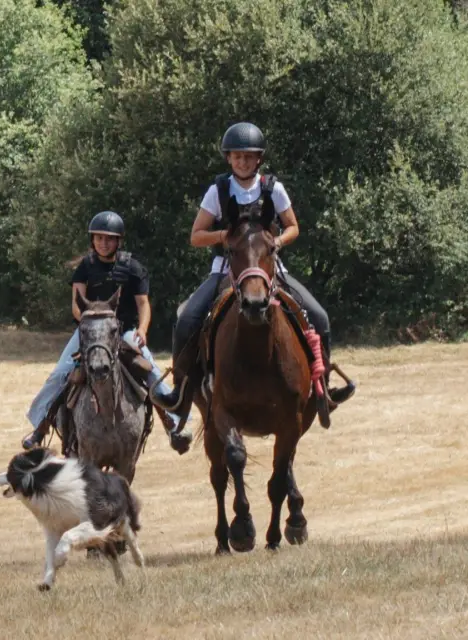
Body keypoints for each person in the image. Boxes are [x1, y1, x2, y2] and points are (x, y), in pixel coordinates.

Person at [153, 122, 354, 430]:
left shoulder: (273, 188)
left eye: (249, 157)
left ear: (259, 159)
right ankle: (181, 393)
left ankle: (322, 389)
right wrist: (225, 236)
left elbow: (293, 226)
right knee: (187, 319)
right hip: (226, 268)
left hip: (268, 267)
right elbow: (196, 236)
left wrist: (278, 242)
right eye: (237, 157)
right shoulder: (217, 190)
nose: (243, 162)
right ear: (228, 159)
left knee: (320, 317)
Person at [19, 211, 182, 449]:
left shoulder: (133, 268)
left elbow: (143, 304)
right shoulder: (85, 267)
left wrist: (143, 330)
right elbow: (77, 303)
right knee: (60, 374)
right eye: (99, 238)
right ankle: (40, 426)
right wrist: (90, 321)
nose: (103, 243)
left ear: (118, 241)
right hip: (89, 331)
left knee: (151, 371)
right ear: (92, 240)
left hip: (122, 331)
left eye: (109, 239)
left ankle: (173, 424)